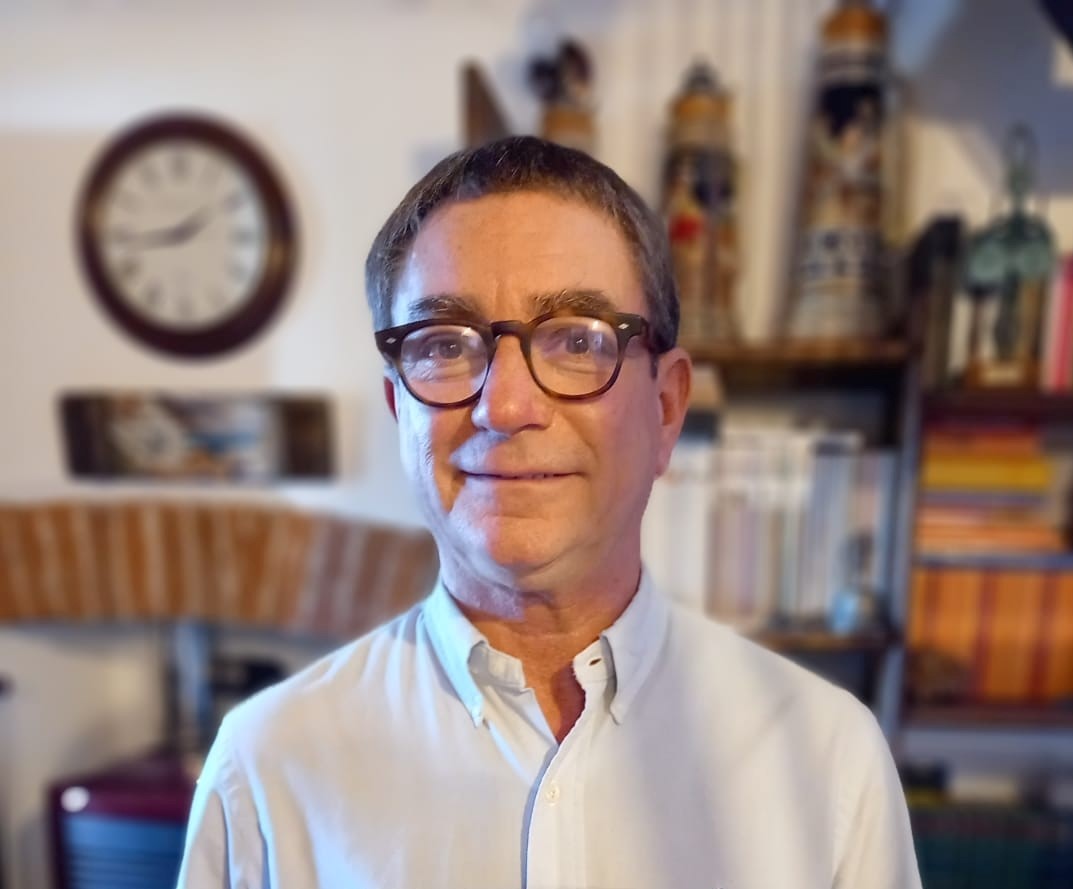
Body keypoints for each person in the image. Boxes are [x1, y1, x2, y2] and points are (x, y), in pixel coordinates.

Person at [175, 136, 922, 889]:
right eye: (445, 345)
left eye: (576, 340)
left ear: (666, 409)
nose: (505, 406)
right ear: (400, 407)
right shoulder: (266, 769)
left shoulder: (826, 760)